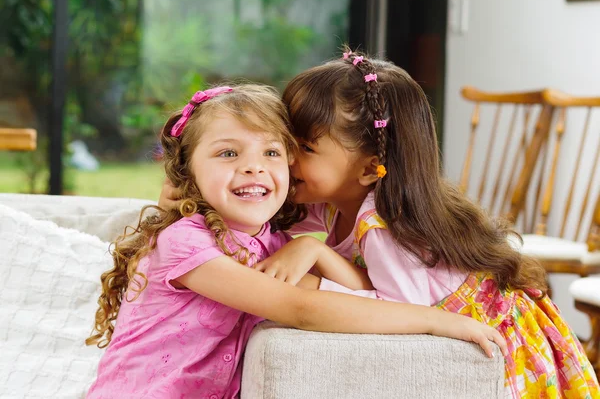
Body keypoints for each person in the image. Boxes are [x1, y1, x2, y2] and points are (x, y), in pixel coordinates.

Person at [160, 50, 599, 397]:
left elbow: (394, 313)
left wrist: (316, 256)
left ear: (369, 169)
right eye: (285, 144)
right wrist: (187, 193)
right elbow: (262, 227)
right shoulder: (329, 197)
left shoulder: (384, 229)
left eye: (304, 149)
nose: (286, 160)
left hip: (505, 340)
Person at [88, 84, 505, 398]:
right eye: (228, 153)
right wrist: (436, 321)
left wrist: (318, 252)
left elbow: (361, 292)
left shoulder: (274, 244)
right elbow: (301, 309)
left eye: (271, 153)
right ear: (186, 170)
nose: (253, 167)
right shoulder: (185, 243)